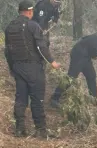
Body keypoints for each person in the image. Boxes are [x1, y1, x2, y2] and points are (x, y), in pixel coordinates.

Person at [4, 0, 61, 138]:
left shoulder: (9, 27)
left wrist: (12, 68)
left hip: (18, 67)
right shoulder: (33, 26)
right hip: (33, 68)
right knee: (37, 99)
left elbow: (7, 51)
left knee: (21, 99)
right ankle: (41, 130)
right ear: (30, 12)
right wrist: (52, 61)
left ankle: (19, 129)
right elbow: (41, 47)